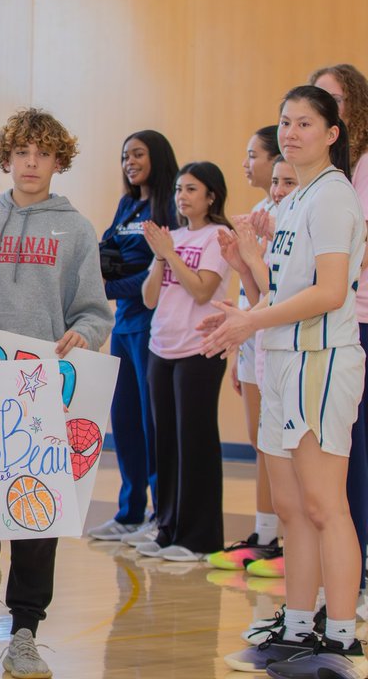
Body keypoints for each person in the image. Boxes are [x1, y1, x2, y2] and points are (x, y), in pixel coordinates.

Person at [209, 85, 368, 678]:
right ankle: (298, 625)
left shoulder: (333, 198)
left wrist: (250, 317)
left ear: (332, 133)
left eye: (306, 122)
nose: (292, 132)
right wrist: (247, 266)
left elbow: (329, 294)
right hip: (280, 360)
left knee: (327, 506)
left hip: (321, 363)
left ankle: (342, 636)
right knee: (294, 509)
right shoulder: (294, 199)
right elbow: (278, 295)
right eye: (285, 122)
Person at [0, 109, 113, 678]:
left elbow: (93, 310)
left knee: (36, 515)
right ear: (7, 158)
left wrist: (87, 332)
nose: (31, 163)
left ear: (58, 161)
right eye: (22, 152)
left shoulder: (75, 230)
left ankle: (24, 630)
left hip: (46, 391)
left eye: (43, 154)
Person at [86, 131, 180, 544]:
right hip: (122, 325)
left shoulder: (168, 207)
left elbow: (160, 269)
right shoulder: (128, 205)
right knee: (123, 420)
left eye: (138, 154)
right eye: (124, 155)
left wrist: (110, 288)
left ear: (157, 157)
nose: (129, 162)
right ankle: (129, 512)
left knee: (150, 422)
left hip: (151, 325)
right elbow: (107, 253)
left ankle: (161, 514)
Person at [138, 161, 232, 562]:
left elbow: (200, 291)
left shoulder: (219, 237)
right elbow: (148, 298)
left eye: (191, 189)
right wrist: (160, 258)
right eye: (179, 188)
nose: (182, 196)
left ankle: (199, 538)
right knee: (166, 444)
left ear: (211, 195)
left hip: (200, 350)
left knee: (195, 443)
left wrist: (170, 254)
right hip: (162, 347)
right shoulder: (170, 238)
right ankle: (169, 528)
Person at [207, 126, 284, 575]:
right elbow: (247, 288)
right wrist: (237, 350)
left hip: (280, 338)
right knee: (261, 442)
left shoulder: (292, 215)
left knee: (281, 445)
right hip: (252, 337)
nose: (246, 164)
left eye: (253, 155)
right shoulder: (256, 210)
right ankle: (265, 534)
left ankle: (286, 541)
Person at [311, 63, 368, 607]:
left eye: (334, 98)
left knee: (354, 458)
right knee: (336, 465)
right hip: (331, 324)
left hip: (356, 320)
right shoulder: (329, 175)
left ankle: (357, 580)